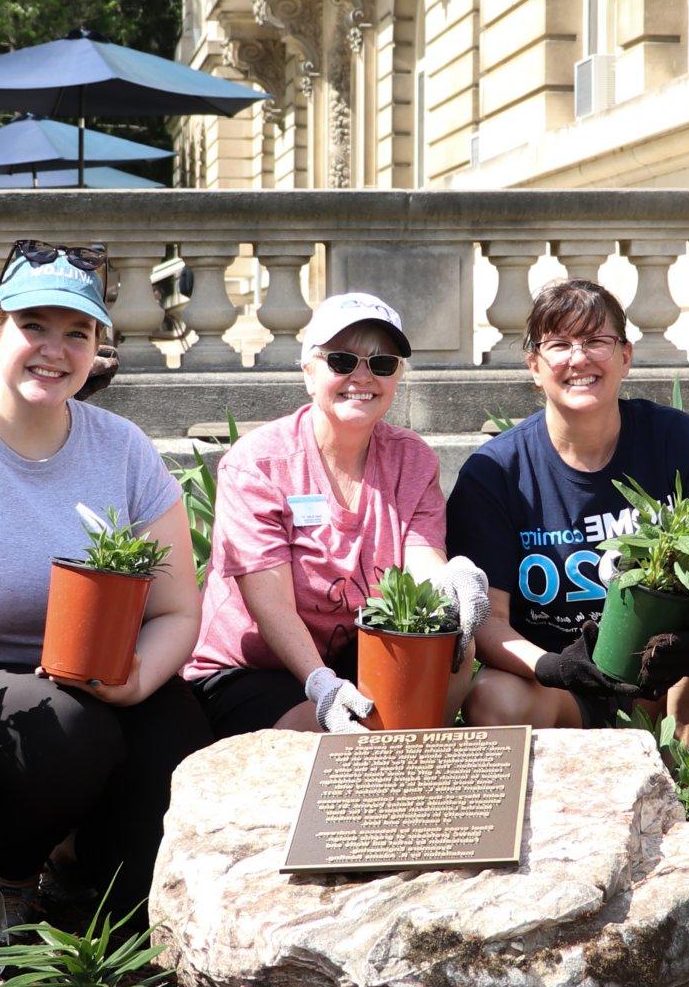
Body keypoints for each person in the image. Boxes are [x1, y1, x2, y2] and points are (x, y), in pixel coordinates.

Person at [0, 241, 211, 945]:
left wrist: (139, 677)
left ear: (96, 348)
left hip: (104, 682)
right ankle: (12, 875)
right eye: (34, 327)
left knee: (167, 805)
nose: (55, 350)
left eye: (77, 332)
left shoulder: (122, 448)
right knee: (65, 727)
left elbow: (177, 608)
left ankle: (76, 857)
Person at [449, 279, 689, 736]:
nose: (579, 358)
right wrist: (552, 667)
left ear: (625, 356)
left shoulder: (676, 440)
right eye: (559, 344)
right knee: (494, 698)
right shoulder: (496, 472)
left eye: (596, 341)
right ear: (534, 366)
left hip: (668, 676)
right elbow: (489, 621)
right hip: (559, 688)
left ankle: (685, 778)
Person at [185, 292, 491, 737]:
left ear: (397, 375)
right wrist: (321, 684)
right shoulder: (260, 464)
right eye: (342, 361)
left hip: (356, 653)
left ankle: (420, 789)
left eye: (382, 364)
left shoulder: (412, 459)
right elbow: (270, 605)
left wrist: (452, 578)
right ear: (309, 372)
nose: (362, 377)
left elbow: (423, 559)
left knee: (447, 655)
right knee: (335, 733)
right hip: (253, 668)